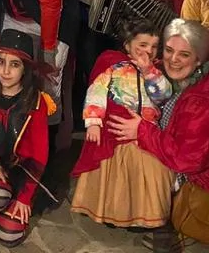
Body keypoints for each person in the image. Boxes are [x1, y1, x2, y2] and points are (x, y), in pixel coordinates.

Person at [107, 19, 209, 253]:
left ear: (199, 59)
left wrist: (142, 130)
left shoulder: (206, 101)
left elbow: (186, 158)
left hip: (206, 178)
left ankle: (163, 225)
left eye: (184, 54)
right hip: (184, 156)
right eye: (169, 50)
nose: (173, 59)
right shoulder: (172, 73)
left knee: (143, 156)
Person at [70, 18, 172, 227]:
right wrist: (93, 122)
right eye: (142, 45)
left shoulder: (156, 71)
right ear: (127, 45)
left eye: (154, 47)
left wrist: (149, 72)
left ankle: (142, 217)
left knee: (147, 172)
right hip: (115, 129)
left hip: (145, 129)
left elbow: (163, 95)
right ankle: (111, 212)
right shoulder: (113, 65)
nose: (148, 51)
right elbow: (96, 91)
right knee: (116, 175)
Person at [0, 30, 54, 247]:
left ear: (25, 69)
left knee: (10, 233)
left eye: (14, 64)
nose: (5, 71)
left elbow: (39, 155)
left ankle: (5, 201)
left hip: (18, 171)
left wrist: (24, 197)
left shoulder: (36, 103)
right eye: (1, 62)